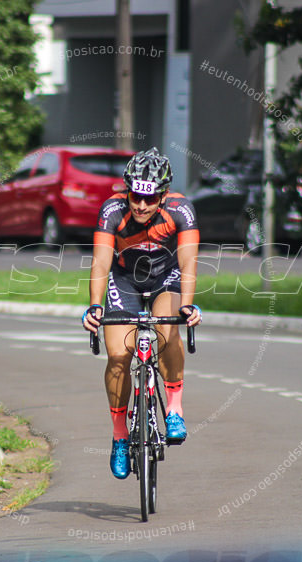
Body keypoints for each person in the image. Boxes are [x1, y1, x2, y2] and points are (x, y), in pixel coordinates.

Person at [81, 147, 202, 479]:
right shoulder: (112, 210)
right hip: (125, 279)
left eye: (150, 199)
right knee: (118, 357)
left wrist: (188, 305)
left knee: (167, 332)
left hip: (167, 278)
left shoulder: (180, 210)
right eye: (136, 196)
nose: (141, 205)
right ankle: (120, 436)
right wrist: (94, 305)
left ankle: (174, 409)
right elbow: (101, 262)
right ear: (127, 190)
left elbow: (189, 261)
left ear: (163, 196)